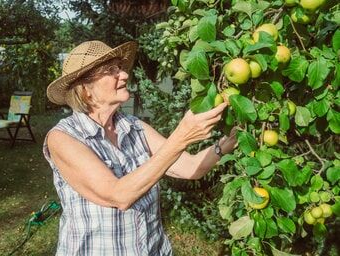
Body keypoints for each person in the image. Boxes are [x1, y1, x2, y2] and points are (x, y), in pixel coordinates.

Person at [43, 40, 237, 256]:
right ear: (86, 89)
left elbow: (191, 167)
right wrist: (181, 137)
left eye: (120, 68)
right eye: (111, 70)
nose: (124, 75)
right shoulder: (63, 138)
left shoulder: (134, 127)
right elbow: (118, 196)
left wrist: (226, 144)